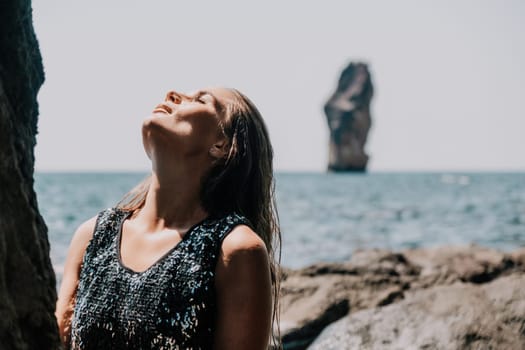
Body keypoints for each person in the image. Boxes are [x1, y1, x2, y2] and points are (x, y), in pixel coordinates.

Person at [55, 87, 281, 349]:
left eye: (200, 99)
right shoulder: (93, 234)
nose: (172, 94)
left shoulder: (234, 250)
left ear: (222, 145)